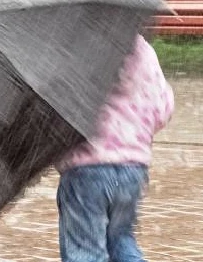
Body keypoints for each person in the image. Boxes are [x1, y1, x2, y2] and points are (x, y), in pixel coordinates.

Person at [55, 34, 174, 262]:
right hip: (133, 168)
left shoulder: (73, 49)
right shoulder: (142, 49)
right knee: (121, 240)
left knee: (85, 250)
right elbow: (163, 109)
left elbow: (56, 109)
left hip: (86, 169)